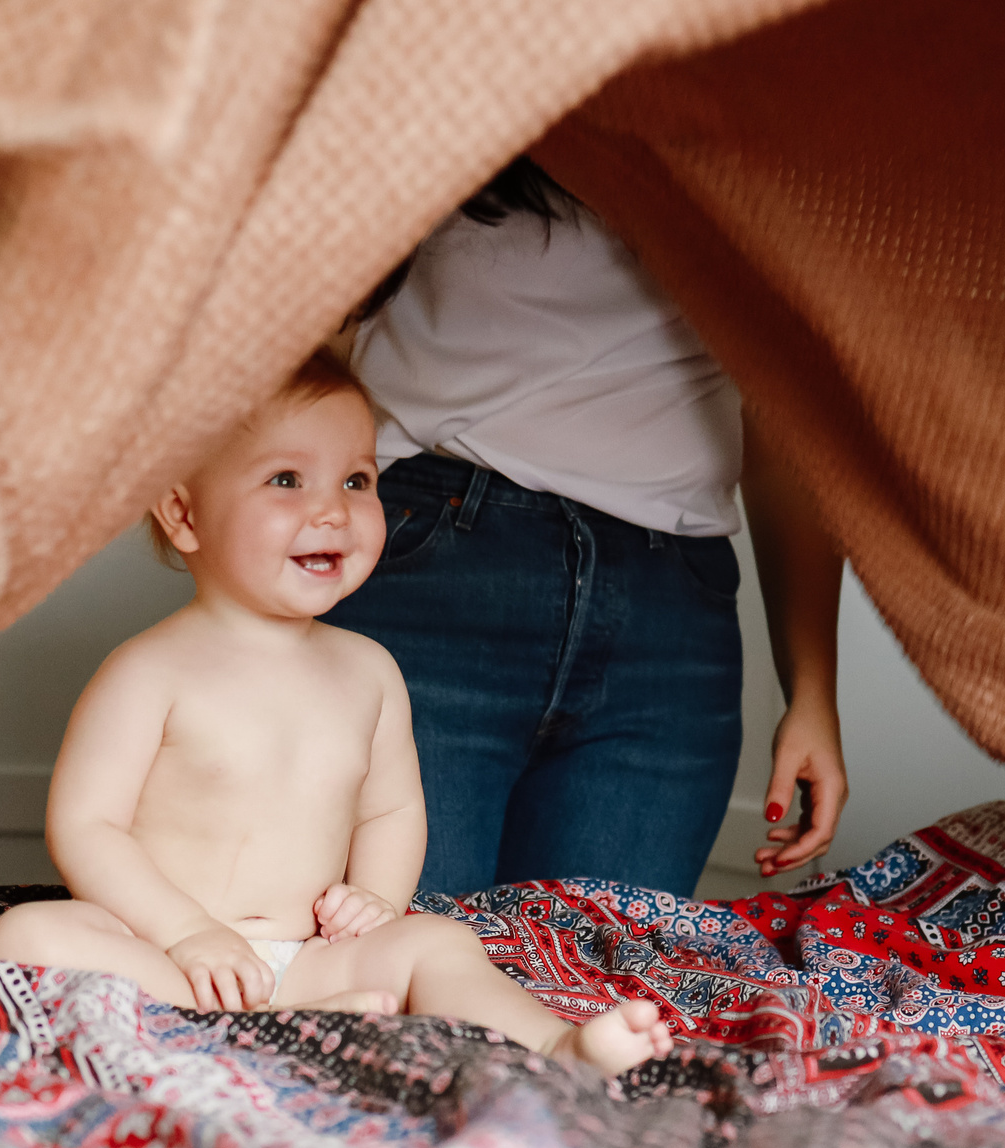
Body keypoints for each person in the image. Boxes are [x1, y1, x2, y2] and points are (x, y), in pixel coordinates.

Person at [0, 349, 674, 1075]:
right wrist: (188, 933)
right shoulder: (147, 671)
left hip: (310, 960)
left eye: (357, 479)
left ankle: (559, 1044)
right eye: (287, 479)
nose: (333, 509)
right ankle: (267, 1024)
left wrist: (373, 898)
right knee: (28, 937)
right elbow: (87, 826)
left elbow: (390, 812)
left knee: (437, 944)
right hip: (170, 954)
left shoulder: (368, 670)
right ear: (184, 511)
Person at [328, 159, 848, 898]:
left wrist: (814, 690)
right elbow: (305, 333)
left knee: (591, 1003)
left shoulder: (777, 121)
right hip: (429, 575)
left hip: (669, 636)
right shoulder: (442, 79)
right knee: (392, 986)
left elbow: (792, 426)